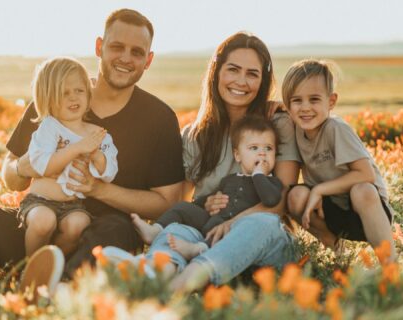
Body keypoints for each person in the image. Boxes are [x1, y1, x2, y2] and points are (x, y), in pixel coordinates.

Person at [0, 9, 184, 286]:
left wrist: (99, 189)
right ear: (99, 47)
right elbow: (10, 175)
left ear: (148, 60)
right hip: (38, 225)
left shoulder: (159, 118)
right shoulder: (55, 97)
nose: (126, 58)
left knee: (117, 230)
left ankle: (57, 290)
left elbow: (167, 203)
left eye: (137, 52)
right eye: (117, 47)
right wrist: (23, 166)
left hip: (99, 236)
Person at [106, 32, 301, 292]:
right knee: (178, 229)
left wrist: (232, 222)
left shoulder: (277, 124)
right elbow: (179, 200)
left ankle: (180, 285)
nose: (241, 81)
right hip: (207, 236)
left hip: (263, 242)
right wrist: (204, 204)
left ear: (262, 81)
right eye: (233, 70)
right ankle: (155, 271)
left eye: (252, 74)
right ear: (216, 72)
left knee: (259, 224)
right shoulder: (195, 135)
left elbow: (280, 203)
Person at [283, 59, 396, 261]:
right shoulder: (297, 131)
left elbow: (366, 174)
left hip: (366, 211)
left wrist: (319, 189)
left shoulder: (336, 129)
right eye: (297, 100)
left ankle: (390, 264)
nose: (305, 108)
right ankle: (336, 250)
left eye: (314, 99)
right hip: (331, 211)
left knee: (362, 190)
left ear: (331, 102)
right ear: (288, 106)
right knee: (295, 195)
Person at [131, 115, 283, 260]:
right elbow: (208, 199)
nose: (262, 154)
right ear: (238, 155)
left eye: (269, 148)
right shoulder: (229, 180)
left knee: (219, 229)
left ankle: (198, 248)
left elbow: (270, 199)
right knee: (182, 207)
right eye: (254, 148)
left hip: (236, 229)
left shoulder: (272, 183)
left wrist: (258, 175)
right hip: (211, 220)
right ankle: (155, 230)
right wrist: (205, 203)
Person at [18, 57, 118, 257]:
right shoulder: (49, 127)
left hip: (73, 205)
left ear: (88, 94)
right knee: (43, 222)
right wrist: (77, 148)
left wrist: (97, 156)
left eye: (79, 91)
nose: (73, 98)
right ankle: (29, 267)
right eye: (64, 93)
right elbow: (42, 166)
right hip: (40, 200)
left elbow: (109, 172)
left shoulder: (98, 133)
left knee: (79, 224)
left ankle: (54, 265)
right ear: (47, 98)